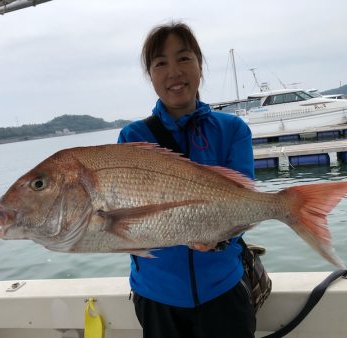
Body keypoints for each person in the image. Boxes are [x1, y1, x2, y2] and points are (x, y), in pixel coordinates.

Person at [118, 22, 256, 338]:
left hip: (222, 289)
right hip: (156, 294)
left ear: (199, 65)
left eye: (184, 58)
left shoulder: (232, 129)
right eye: (160, 63)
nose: (174, 71)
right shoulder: (132, 137)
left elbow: (243, 201)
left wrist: (220, 238)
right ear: (150, 76)